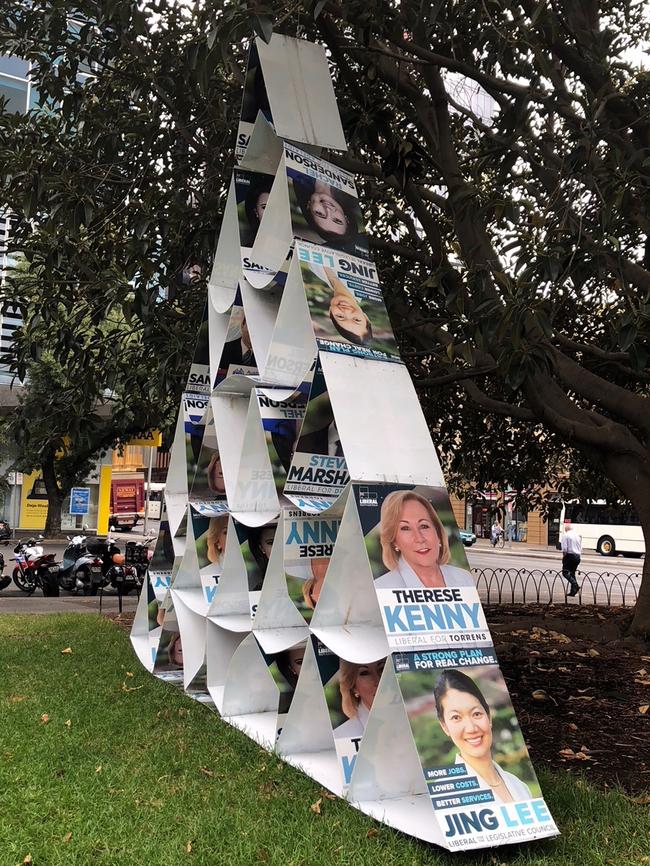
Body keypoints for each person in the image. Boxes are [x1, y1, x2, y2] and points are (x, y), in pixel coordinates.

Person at [434, 669, 532, 804]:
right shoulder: (446, 794)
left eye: (476, 714)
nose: (471, 728)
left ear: (489, 716)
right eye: (456, 717)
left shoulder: (520, 786)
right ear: (444, 726)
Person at [374, 491, 474, 589]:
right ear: (394, 541)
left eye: (424, 526)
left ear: (438, 533)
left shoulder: (465, 579)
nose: (419, 538)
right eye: (405, 528)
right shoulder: (382, 587)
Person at [292, 176, 364, 255]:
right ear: (346, 217)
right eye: (337, 220)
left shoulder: (296, 174)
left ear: (309, 206)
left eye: (319, 213)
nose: (328, 210)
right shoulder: (355, 188)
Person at [322, 267, 372, 347]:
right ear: (366, 317)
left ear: (330, 311)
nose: (346, 311)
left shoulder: (316, 271)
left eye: (340, 316)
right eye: (356, 319)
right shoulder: (361, 275)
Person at [334, 658, 385, 737]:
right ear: (353, 687)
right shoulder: (343, 735)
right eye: (365, 673)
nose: (378, 680)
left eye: (382, 668)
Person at [247, 523, 277, 590]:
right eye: (271, 543)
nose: (277, 547)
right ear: (261, 548)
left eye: (282, 541)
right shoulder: (259, 589)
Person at [560, 522, 582, 596]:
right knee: (572, 573)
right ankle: (573, 591)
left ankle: (575, 584)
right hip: (577, 556)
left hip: (570, 555)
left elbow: (565, 549)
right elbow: (580, 547)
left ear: (566, 529)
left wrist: (564, 557)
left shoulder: (565, 535)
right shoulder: (577, 536)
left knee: (565, 572)